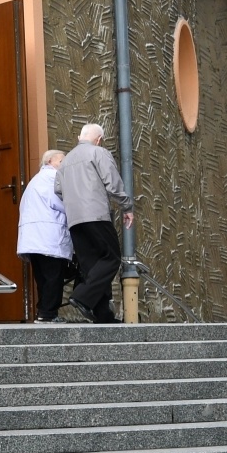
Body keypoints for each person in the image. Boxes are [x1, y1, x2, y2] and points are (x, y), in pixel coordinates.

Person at [56, 122, 134, 323]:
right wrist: (127, 206)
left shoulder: (65, 161)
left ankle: (103, 315)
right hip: (96, 214)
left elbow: (58, 190)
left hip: (74, 219)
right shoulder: (98, 152)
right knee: (111, 257)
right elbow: (113, 183)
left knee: (92, 265)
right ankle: (81, 295)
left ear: (79, 138)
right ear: (99, 140)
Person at [18, 149, 71, 322]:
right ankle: (48, 314)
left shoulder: (35, 181)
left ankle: (43, 313)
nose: (64, 164)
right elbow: (65, 205)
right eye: (61, 160)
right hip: (49, 237)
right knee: (53, 277)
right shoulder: (53, 178)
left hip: (33, 239)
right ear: (50, 161)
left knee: (42, 277)